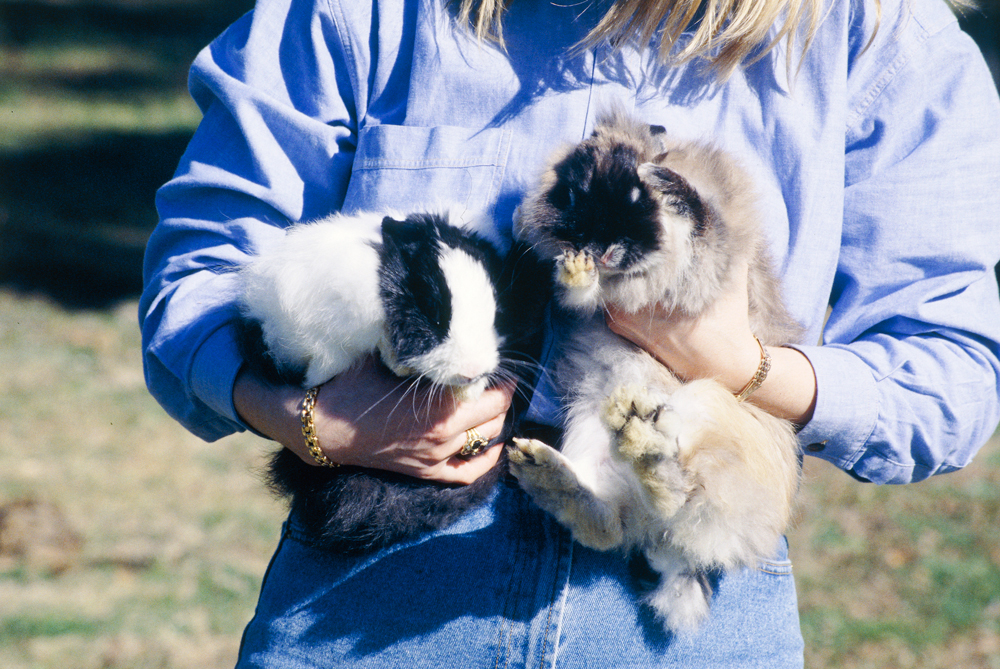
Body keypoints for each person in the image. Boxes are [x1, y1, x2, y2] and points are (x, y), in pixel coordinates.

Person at [139, 0, 1000, 665]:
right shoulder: (368, 13)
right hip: (378, 592)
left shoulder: (875, 36)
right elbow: (203, 267)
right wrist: (304, 419)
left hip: (681, 598)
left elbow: (949, 374)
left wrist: (744, 366)